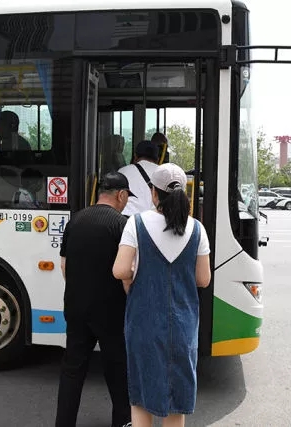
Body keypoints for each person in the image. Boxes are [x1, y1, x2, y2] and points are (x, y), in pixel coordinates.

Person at [113, 163, 212, 427]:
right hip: (183, 324)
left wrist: (129, 282)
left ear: (153, 192)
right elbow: (203, 279)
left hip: (143, 322)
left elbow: (120, 269)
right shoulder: (197, 229)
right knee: (176, 401)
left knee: (141, 396)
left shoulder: (136, 223)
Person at [55, 172, 136, 427]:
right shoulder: (122, 225)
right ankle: (122, 423)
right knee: (117, 370)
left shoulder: (75, 220)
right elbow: (127, 273)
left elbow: (64, 266)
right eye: (127, 196)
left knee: (72, 369)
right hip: (111, 311)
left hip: (76, 307)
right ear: (121, 195)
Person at [118, 140, 160, 216]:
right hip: (153, 219)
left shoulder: (122, 171)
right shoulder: (163, 172)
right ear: (157, 159)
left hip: (125, 219)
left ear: (135, 156)